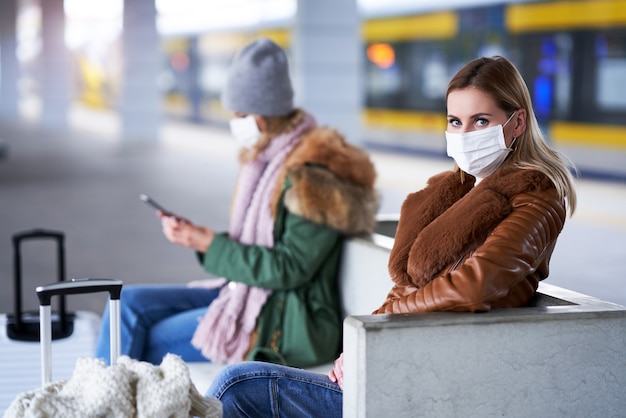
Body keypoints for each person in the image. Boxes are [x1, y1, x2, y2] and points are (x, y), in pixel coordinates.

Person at [205, 55, 578, 417]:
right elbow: (406, 285)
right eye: (454, 121)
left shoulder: (537, 197)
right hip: (403, 359)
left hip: (447, 379)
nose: (463, 135)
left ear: (517, 123)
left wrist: (379, 328)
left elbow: (474, 286)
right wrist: (359, 346)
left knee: (237, 385)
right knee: (234, 383)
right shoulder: (453, 192)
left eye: (480, 121)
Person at [94, 37, 379, 367]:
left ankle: (101, 404)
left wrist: (209, 243)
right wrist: (201, 239)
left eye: (239, 113)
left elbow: (289, 268)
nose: (234, 120)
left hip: (283, 318)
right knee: (128, 303)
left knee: (145, 337)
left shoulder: (312, 176)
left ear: (262, 114)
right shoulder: (268, 159)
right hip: (248, 292)